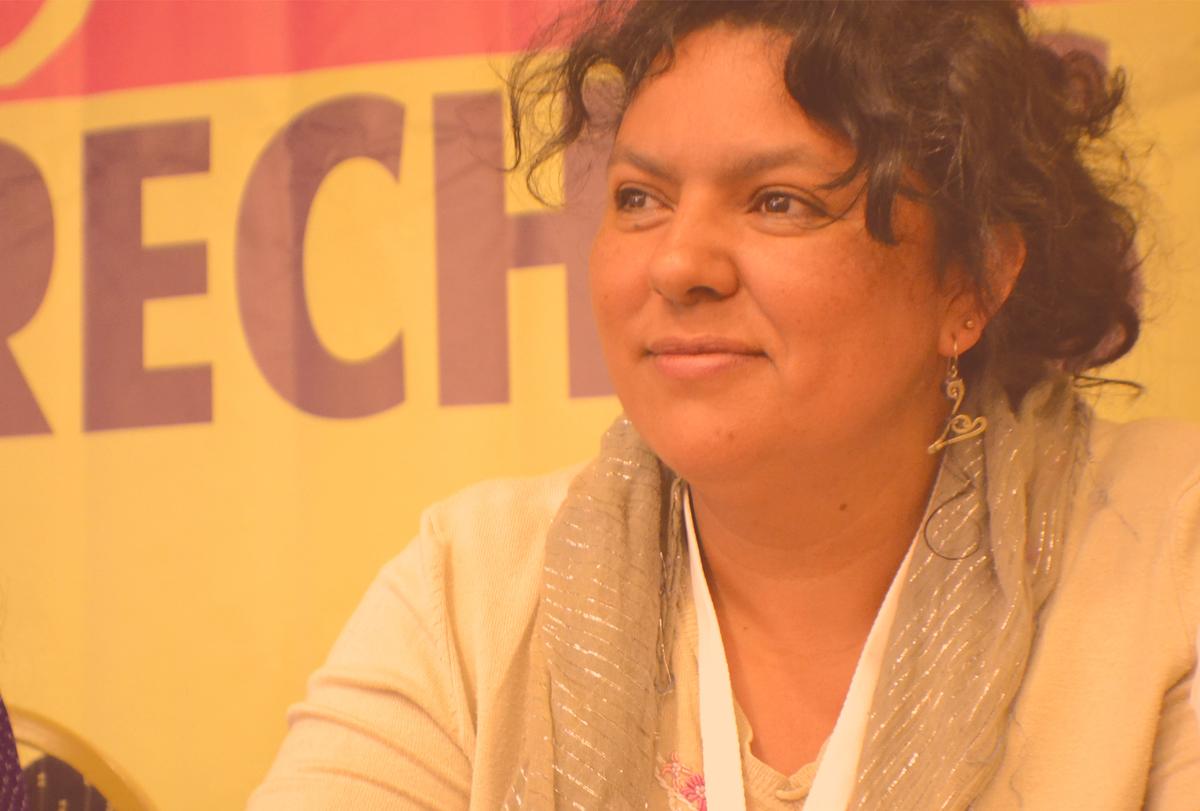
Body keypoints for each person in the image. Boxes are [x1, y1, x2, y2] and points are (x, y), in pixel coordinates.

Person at [249, 2, 1200, 808]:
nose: (677, 264)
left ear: (974, 278)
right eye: (639, 198)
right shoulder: (472, 588)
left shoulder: (1169, 546)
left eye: (779, 201)